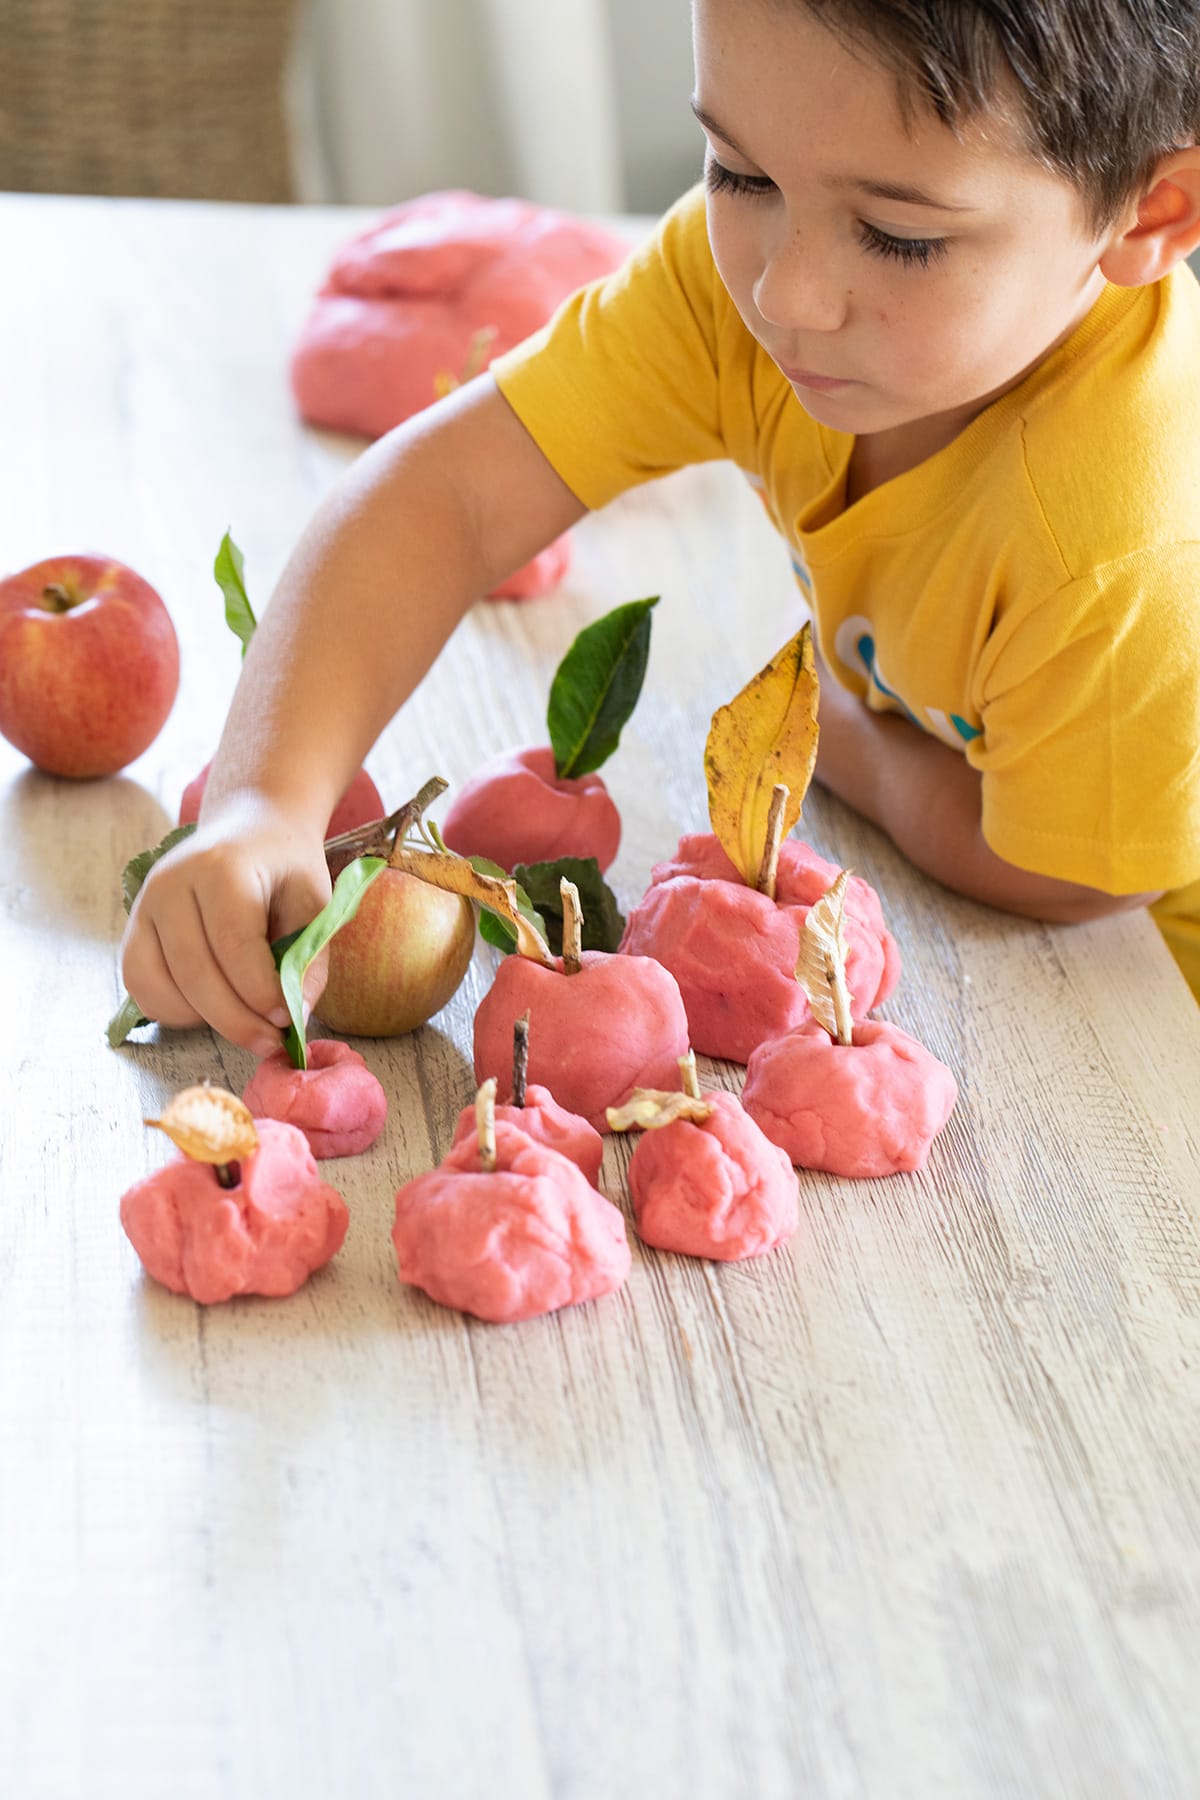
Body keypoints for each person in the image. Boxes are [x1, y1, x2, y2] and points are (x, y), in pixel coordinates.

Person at [122, 0, 1200, 1054]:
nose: (787, 291)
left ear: (1150, 214)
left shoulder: (1124, 551)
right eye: (740, 173)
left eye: (899, 237)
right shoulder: (740, 294)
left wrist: (856, 750)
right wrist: (260, 801)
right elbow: (449, 492)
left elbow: (1081, 877)